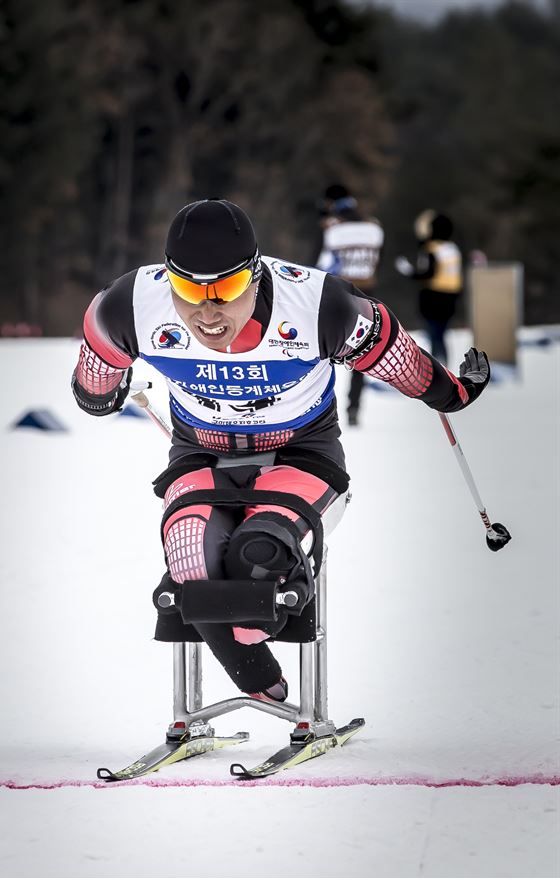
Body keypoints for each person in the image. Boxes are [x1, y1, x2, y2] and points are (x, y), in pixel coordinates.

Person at [71, 198, 489, 703]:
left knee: (260, 552)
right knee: (188, 554)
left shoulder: (319, 305)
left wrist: (456, 391)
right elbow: (93, 384)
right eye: (187, 289)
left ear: (255, 273)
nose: (208, 310)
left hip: (300, 453)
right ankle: (259, 682)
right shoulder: (130, 304)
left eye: (225, 289)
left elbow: (401, 362)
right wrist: (102, 390)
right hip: (200, 453)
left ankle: (259, 658)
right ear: (168, 277)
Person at [316, 184, 384, 426]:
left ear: (331, 204)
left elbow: (325, 267)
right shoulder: (374, 227)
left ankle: (321, 412)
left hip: (339, 294)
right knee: (363, 352)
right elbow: (376, 261)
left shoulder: (334, 230)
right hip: (368, 294)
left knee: (322, 351)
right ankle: (354, 407)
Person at [395, 209, 463, 364]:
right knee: (441, 334)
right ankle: (445, 365)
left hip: (433, 297)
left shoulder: (431, 249)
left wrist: (409, 271)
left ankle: (435, 367)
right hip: (451, 297)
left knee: (433, 334)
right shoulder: (453, 248)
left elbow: (428, 274)